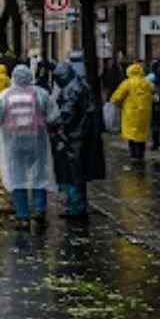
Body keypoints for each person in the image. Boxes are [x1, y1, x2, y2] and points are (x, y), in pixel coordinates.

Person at [0, 65, 59, 231]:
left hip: (13, 144)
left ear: (13, 77)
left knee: (17, 177)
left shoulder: (4, 96)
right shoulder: (41, 94)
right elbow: (54, 116)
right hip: (37, 143)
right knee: (39, 176)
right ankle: (39, 211)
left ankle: (22, 216)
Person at [51, 62, 105, 221]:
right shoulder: (82, 85)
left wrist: (55, 124)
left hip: (74, 138)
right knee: (78, 174)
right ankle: (78, 205)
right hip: (83, 136)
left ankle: (76, 207)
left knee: (73, 173)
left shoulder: (71, 90)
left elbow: (67, 114)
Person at [110, 63, 155, 166]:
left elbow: (117, 96)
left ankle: (134, 155)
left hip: (131, 113)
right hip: (144, 113)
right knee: (141, 135)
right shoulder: (147, 83)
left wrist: (115, 102)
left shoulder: (127, 83)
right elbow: (153, 91)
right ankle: (140, 155)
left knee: (132, 135)